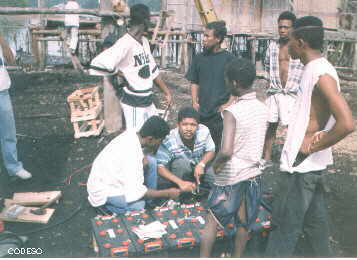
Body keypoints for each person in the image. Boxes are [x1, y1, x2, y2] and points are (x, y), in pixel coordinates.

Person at [265, 16, 355, 257]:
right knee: (316, 226)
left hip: (302, 165)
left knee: (284, 227)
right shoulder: (313, 69)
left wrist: (313, 147)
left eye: (291, 40)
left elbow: (347, 123)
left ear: (301, 42)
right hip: (307, 164)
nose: (288, 44)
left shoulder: (321, 73)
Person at [200, 58, 268, 257]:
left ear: (234, 83)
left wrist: (216, 167)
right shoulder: (263, 108)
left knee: (213, 218)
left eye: (226, 80)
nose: (226, 84)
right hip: (254, 172)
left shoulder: (232, 112)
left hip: (232, 173)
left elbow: (227, 150)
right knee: (244, 220)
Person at [89, 4, 172, 131]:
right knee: (135, 138)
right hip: (134, 103)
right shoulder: (125, 43)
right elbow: (98, 63)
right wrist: (119, 72)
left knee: (154, 133)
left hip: (147, 100)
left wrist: (166, 92)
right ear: (145, 21)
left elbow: (152, 71)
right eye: (149, 20)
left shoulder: (144, 41)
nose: (151, 24)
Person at [87, 116, 180, 214]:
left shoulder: (134, 133)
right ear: (150, 139)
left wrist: (143, 157)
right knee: (138, 206)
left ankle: (150, 203)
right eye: (160, 141)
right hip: (103, 192)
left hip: (109, 177)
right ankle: (107, 208)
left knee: (151, 161)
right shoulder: (132, 157)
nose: (160, 144)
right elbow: (136, 192)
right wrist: (167, 192)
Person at [186, 21, 235, 150]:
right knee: (200, 145)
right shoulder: (199, 58)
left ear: (218, 39)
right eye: (204, 35)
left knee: (219, 146)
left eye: (207, 36)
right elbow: (194, 81)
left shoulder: (229, 59)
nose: (204, 39)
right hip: (202, 111)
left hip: (220, 113)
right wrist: (194, 101)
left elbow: (236, 85)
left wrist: (228, 104)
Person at [262, 11, 304, 163]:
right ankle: (266, 158)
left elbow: (305, 69)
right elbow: (267, 66)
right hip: (275, 92)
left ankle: (290, 158)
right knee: (270, 126)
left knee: (292, 128)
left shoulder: (299, 47)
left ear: (293, 28)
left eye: (286, 27)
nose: (282, 30)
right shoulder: (272, 46)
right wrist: (269, 86)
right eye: (280, 27)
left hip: (293, 93)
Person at [156, 107, 216, 193]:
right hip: (181, 173)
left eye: (193, 125)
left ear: (198, 126)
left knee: (214, 178)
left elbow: (211, 151)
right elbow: (160, 167)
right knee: (181, 164)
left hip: (199, 167)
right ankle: (180, 195)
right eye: (185, 124)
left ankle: (203, 194)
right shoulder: (169, 140)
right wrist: (180, 182)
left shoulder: (203, 131)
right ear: (178, 125)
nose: (189, 129)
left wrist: (201, 164)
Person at [0, 41, 32, 180]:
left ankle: (14, 167)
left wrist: (3, 42)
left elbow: (11, 58)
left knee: (9, 133)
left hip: (2, 91)